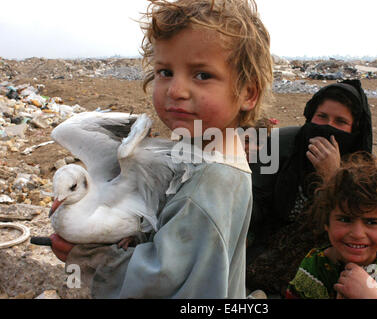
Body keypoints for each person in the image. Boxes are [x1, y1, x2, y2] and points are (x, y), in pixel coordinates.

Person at [50, 0, 273, 299]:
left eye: (202, 75)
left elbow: (166, 281)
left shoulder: (210, 181)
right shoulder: (200, 152)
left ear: (247, 93)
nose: (176, 91)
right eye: (165, 72)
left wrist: (94, 259)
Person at [246, 79, 373, 294]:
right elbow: (255, 199)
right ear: (310, 116)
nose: (327, 127)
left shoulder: (360, 166)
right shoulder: (282, 143)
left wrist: (333, 178)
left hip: (329, 251)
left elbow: (357, 224)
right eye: (321, 117)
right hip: (271, 242)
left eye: (340, 121)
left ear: (354, 129)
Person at [285, 152, 377, 299]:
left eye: (371, 222)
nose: (358, 233)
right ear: (326, 223)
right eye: (345, 220)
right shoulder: (314, 268)